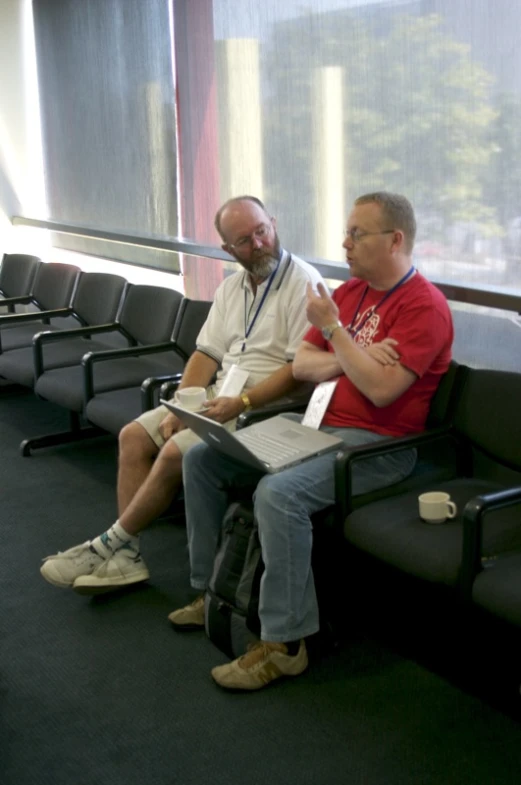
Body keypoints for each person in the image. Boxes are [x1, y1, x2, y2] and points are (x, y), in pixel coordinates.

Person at [171, 192, 454, 691]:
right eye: (346, 233)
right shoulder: (348, 294)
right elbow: (302, 365)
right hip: (316, 427)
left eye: (357, 235)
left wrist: (336, 336)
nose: (344, 244)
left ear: (396, 240)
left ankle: (286, 644)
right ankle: (210, 591)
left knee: (277, 495)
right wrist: (359, 352)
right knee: (201, 460)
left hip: (377, 447)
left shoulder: (423, 307)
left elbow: (383, 390)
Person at [40, 196, 325, 593]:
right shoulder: (231, 288)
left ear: (273, 224)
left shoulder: (305, 285)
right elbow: (206, 353)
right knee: (134, 436)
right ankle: (127, 558)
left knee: (176, 450)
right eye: (244, 240)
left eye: (262, 231)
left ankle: (108, 544)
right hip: (217, 398)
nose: (258, 244)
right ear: (227, 249)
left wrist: (241, 403)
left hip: (264, 408)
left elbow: (298, 371)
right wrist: (185, 403)